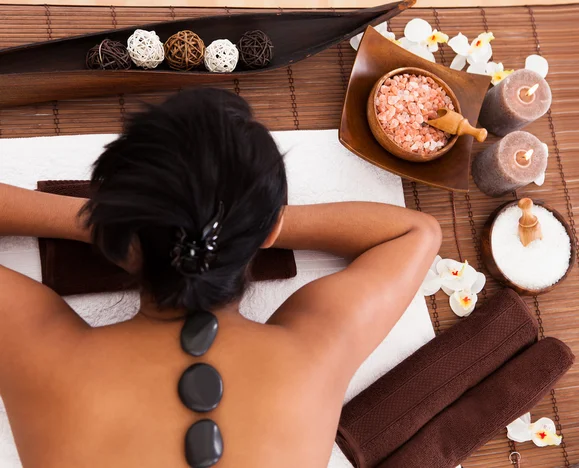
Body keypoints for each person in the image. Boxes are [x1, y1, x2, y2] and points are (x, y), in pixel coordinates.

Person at [0, 88, 441, 468]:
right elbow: (415, 232)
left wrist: (115, 219)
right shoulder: (310, 357)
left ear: (117, 236)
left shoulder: (48, 360)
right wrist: (247, 223)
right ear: (268, 231)